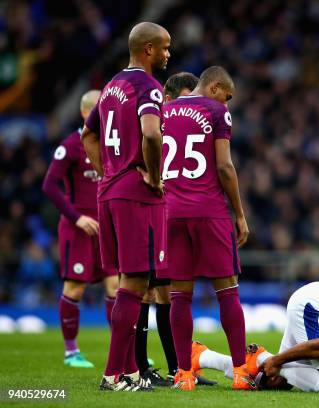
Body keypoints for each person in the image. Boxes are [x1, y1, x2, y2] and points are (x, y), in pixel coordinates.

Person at [81, 21, 171, 392]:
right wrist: (153, 175)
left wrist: (107, 171)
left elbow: (89, 134)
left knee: (128, 283)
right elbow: (151, 133)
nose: (168, 54)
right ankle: (113, 374)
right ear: (147, 49)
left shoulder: (111, 87)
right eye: (165, 48)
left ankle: (131, 371)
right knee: (135, 282)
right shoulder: (147, 86)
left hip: (110, 191)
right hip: (135, 194)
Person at [157, 66, 252, 390]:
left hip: (170, 212)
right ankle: (240, 371)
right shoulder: (216, 111)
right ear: (214, 88)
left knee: (179, 296)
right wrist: (239, 214)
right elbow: (224, 166)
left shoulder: (164, 109)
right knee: (227, 290)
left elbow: (150, 149)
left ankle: (184, 374)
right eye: (227, 96)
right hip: (208, 211)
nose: (228, 103)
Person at [42, 89, 118, 368]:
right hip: (78, 228)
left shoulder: (111, 145)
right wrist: (76, 218)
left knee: (117, 286)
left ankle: (122, 353)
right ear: (87, 113)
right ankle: (71, 351)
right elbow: (49, 186)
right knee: (75, 288)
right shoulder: (71, 145)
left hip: (108, 228)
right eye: (102, 108)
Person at [133, 72, 200, 387]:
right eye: (187, 97)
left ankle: (177, 369)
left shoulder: (180, 126)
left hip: (167, 216)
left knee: (164, 292)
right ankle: (138, 370)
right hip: (146, 212)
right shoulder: (151, 120)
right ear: (170, 98)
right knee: (144, 290)